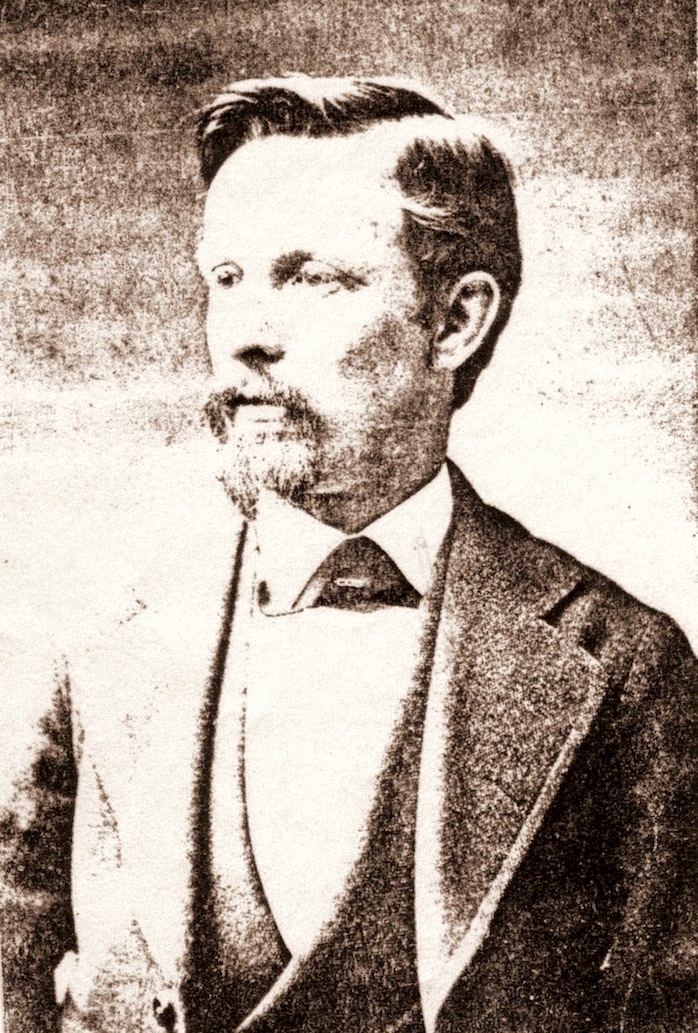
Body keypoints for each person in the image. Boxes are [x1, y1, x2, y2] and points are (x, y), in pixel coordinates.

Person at [0, 75, 695, 1033]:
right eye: (227, 279)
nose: (245, 337)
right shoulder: (101, 648)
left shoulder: (624, 665)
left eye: (311, 279)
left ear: (455, 322)